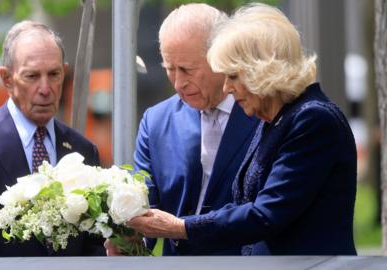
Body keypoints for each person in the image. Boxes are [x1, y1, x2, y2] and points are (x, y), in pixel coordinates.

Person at [127, 3, 357, 255]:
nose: (226, 88)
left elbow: (266, 214)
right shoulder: (276, 119)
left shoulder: (312, 119)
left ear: (262, 69)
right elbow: (242, 206)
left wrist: (181, 227)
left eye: (233, 76)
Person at [0, 20, 104, 257]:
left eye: (54, 74)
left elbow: (93, 246)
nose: (45, 89)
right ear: (7, 79)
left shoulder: (83, 150)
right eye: (32, 76)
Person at [106, 4, 258, 256]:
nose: (178, 83)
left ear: (221, 56)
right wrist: (130, 242)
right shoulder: (156, 122)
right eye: (169, 68)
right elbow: (144, 206)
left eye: (187, 69)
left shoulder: (262, 113)